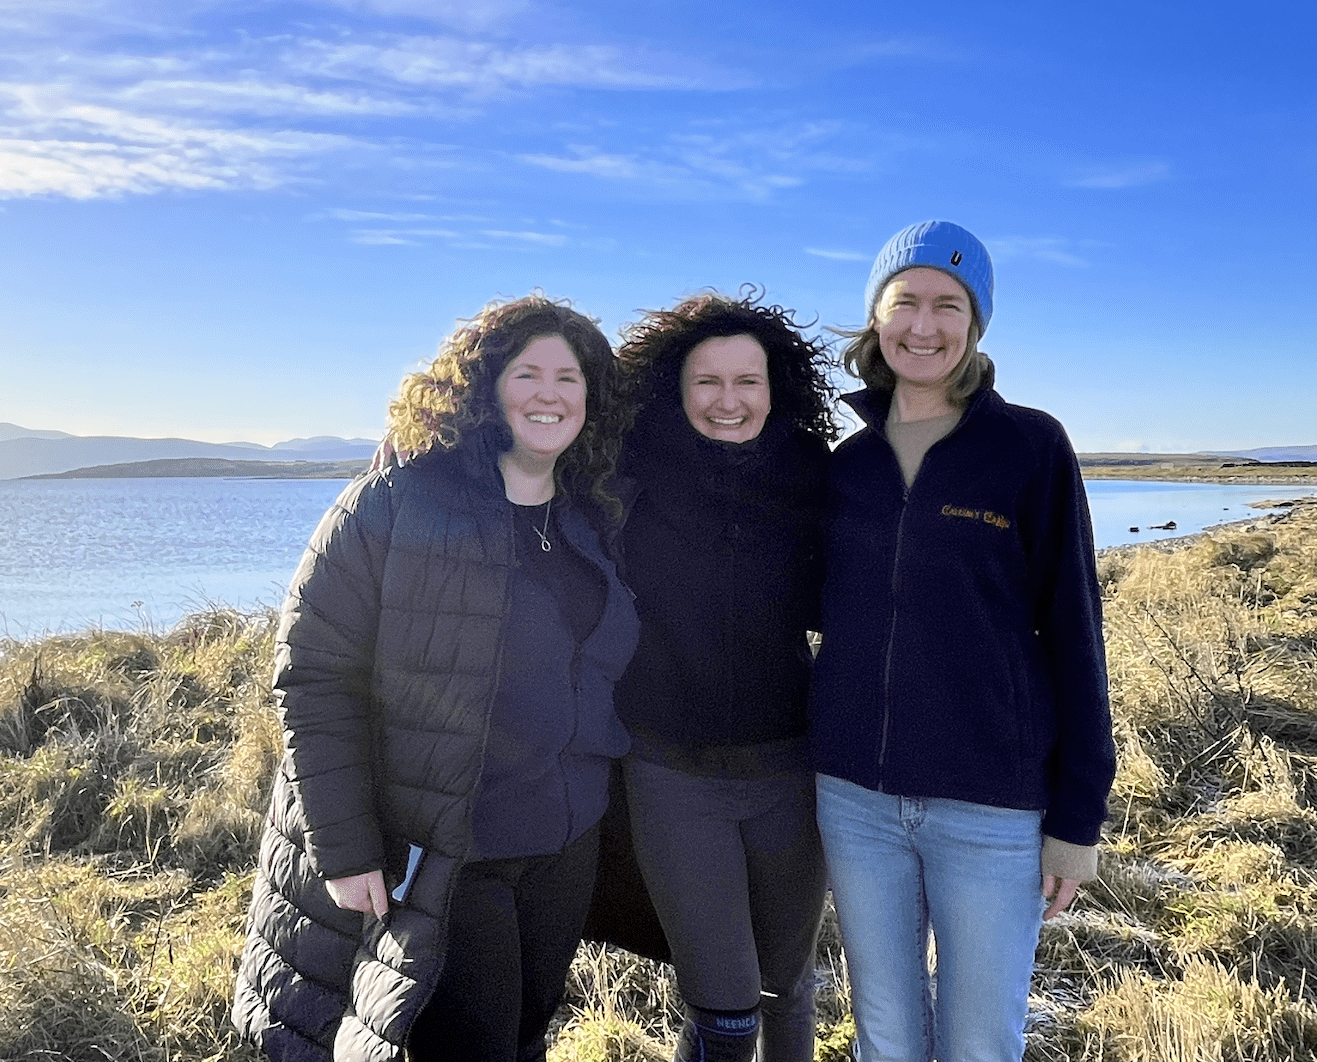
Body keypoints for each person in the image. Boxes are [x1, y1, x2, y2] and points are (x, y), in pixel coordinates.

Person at [232, 296, 641, 1062]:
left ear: (592, 398)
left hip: (565, 841)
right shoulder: (398, 501)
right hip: (449, 848)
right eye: (528, 373)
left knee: (525, 1034)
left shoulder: (593, 513)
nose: (549, 393)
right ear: (485, 386)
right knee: (468, 1043)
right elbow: (314, 675)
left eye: (569, 377)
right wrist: (346, 848)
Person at [811, 221, 1115, 1062]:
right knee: (886, 1037)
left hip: (989, 806)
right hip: (854, 798)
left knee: (980, 1042)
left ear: (975, 325)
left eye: (949, 305)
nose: (924, 325)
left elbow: (1077, 636)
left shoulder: (1029, 447)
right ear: (875, 316)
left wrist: (1077, 818)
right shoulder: (845, 466)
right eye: (905, 301)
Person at [610, 292, 834, 1062]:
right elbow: (521, 448)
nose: (729, 401)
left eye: (749, 381)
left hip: (793, 769)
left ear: (777, 387)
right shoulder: (625, 467)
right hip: (671, 770)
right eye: (708, 381)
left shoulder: (812, 471)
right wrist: (419, 449)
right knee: (726, 1011)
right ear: (675, 385)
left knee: (788, 989)